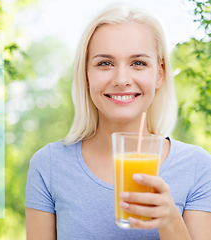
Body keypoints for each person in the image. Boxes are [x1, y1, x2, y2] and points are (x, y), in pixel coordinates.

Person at [25, 4, 211, 240]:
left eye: (138, 63)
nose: (122, 80)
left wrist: (170, 220)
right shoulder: (48, 165)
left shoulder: (197, 166)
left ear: (160, 74)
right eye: (105, 63)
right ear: (86, 75)